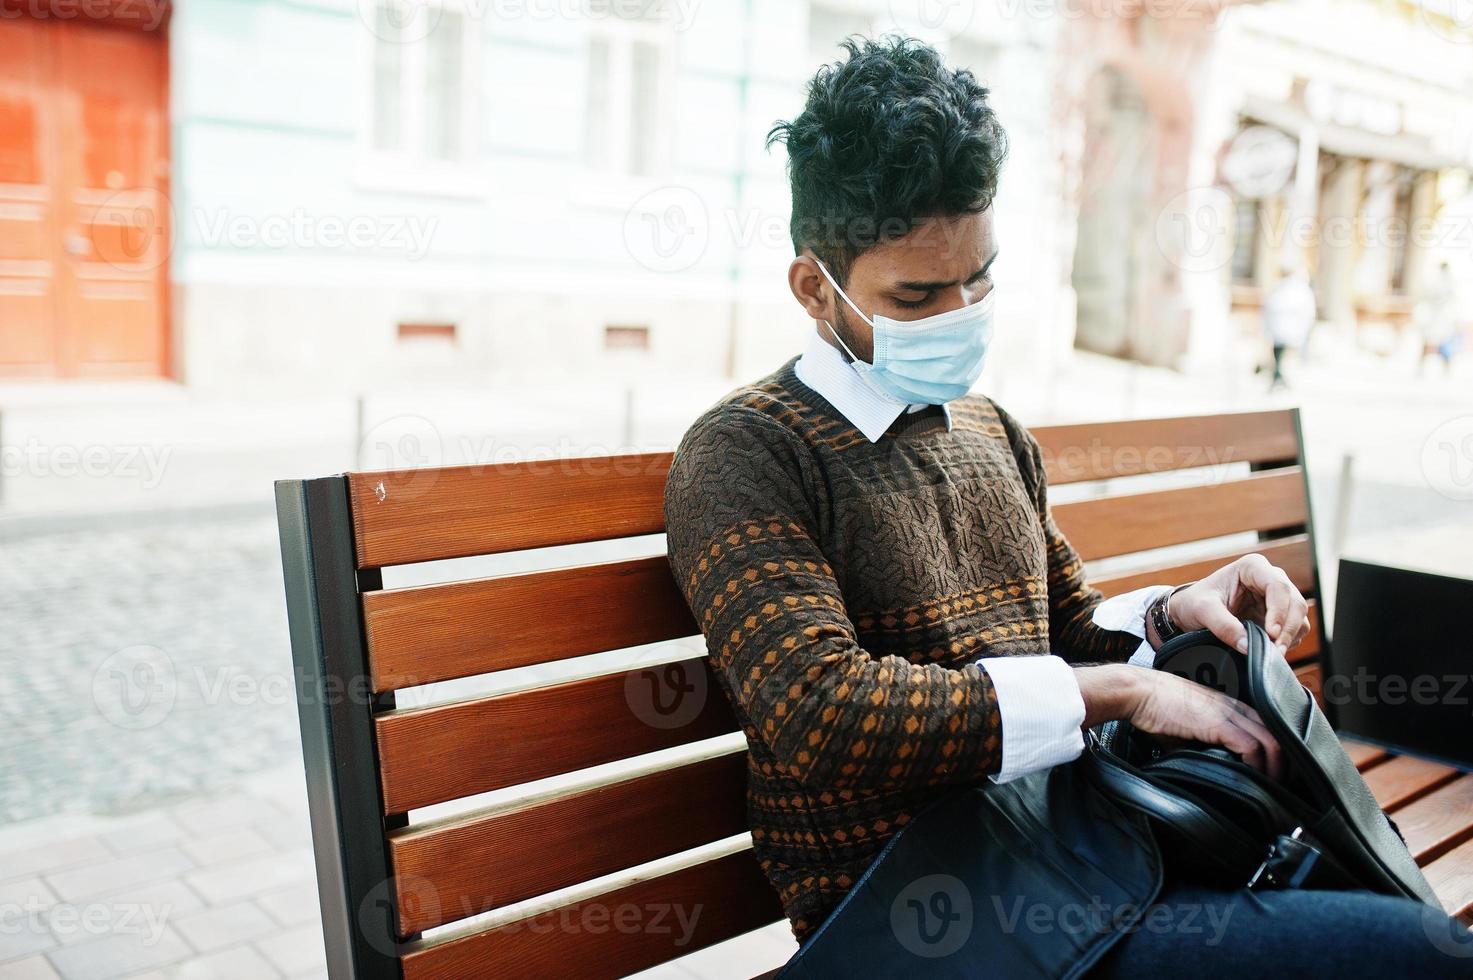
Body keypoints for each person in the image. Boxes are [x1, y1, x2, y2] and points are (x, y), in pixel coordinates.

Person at [662, 36, 1472, 974]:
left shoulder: (989, 429)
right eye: (919, 293)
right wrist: (1126, 689)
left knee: (1388, 921)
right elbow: (822, 714)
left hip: (1078, 861)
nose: (962, 310)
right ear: (815, 287)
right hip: (929, 915)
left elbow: (1066, 634)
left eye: (982, 277)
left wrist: (1176, 612)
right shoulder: (746, 452)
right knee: (1414, 955)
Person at [1261, 263, 1316, 391]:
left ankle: (1280, 377)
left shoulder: (1296, 289)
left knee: (1286, 356)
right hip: (1282, 329)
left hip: (1290, 330)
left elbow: (1305, 311)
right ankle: (1278, 377)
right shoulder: (1283, 288)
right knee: (1279, 354)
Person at [1419, 260, 1463, 374]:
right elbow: (1428, 295)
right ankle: (1422, 366)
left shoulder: (1450, 281)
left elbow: (1454, 298)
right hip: (1435, 317)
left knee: (1445, 343)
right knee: (1430, 341)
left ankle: (1445, 368)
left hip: (1444, 318)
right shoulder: (1436, 280)